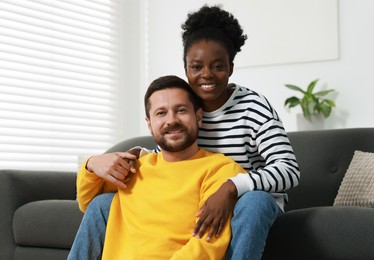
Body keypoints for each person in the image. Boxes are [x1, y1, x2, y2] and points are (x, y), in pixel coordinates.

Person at [69, 5, 300, 260]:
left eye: (217, 66)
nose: (206, 75)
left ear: (231, 67)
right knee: (104, 204)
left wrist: (232, 187)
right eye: (196, 67)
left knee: (254, 201)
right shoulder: (188, 108)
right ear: (186, 68)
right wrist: (132, 158)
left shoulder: (253, 108)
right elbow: (176, 159)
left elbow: (288, 170)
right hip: (204, 198)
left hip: (248, 201)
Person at [69, 75, 245, 259]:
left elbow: (206, 246)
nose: (172, 120)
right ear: (149, 124)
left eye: (181, 110)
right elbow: (87, 203)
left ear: (198, 117)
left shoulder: (221, 170)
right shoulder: (135, 167)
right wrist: (91, 164)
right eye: (161, 113)